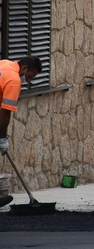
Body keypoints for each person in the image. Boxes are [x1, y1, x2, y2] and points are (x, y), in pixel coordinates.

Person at [0, 56, 42, 208]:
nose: (28, 80)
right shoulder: (14, 80)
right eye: (30, 76)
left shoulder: (4, 63)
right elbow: (5, 112)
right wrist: (2, 138)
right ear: (24, 68)